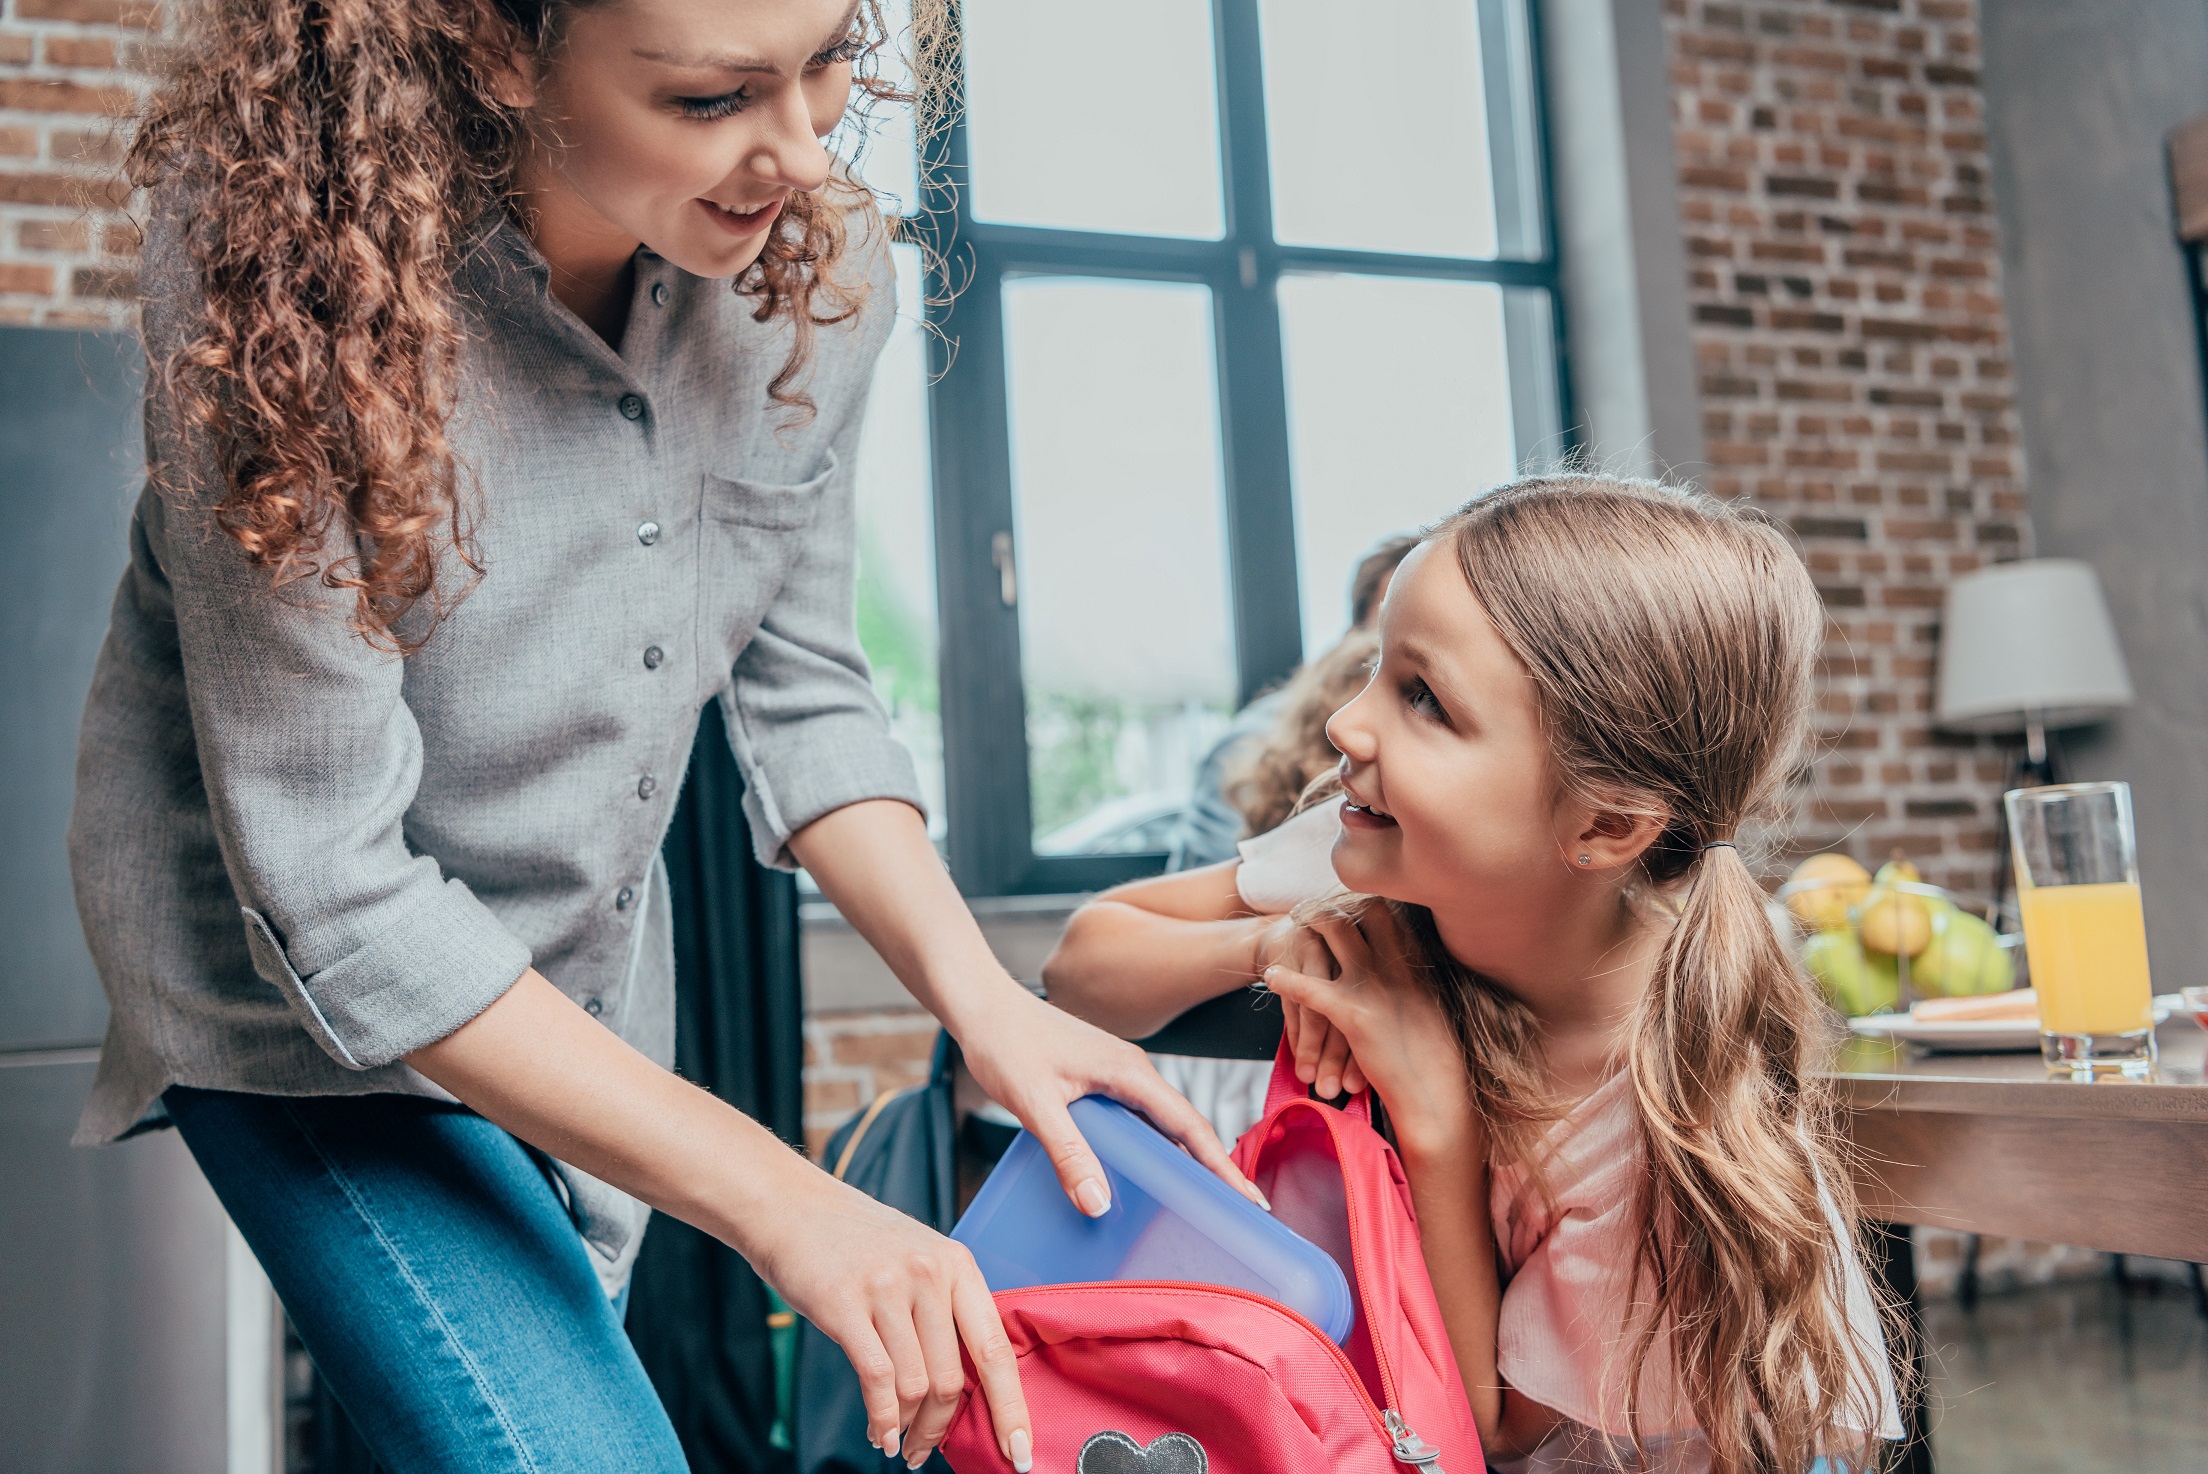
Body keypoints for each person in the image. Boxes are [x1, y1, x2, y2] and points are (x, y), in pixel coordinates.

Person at [67, 4, 1253, 1471]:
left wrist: (991, 1008)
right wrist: (791, 1201)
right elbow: (332, 894)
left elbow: (804, 680)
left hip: (580, 975)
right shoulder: (289, 271)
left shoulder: (817, 275)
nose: (805, 152)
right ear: (497, 48)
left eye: (827, 61)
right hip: (299, 1008)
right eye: (712, 98)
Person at [1045, 476, 1905, 1473]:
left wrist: (1437, 1112)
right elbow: (1079, 965)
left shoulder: (1658, 1117)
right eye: (1378, 669)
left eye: (1423, 699)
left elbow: (1495, 1429)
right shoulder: (1374, 839)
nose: (1345, 728)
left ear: (1604, 824)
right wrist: (1266, 947)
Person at [1166, 533, 1416, 872]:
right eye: (1388, 626)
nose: (1342, 729)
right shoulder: (1252, 742)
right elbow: (1198, 894)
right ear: (1351, 636)